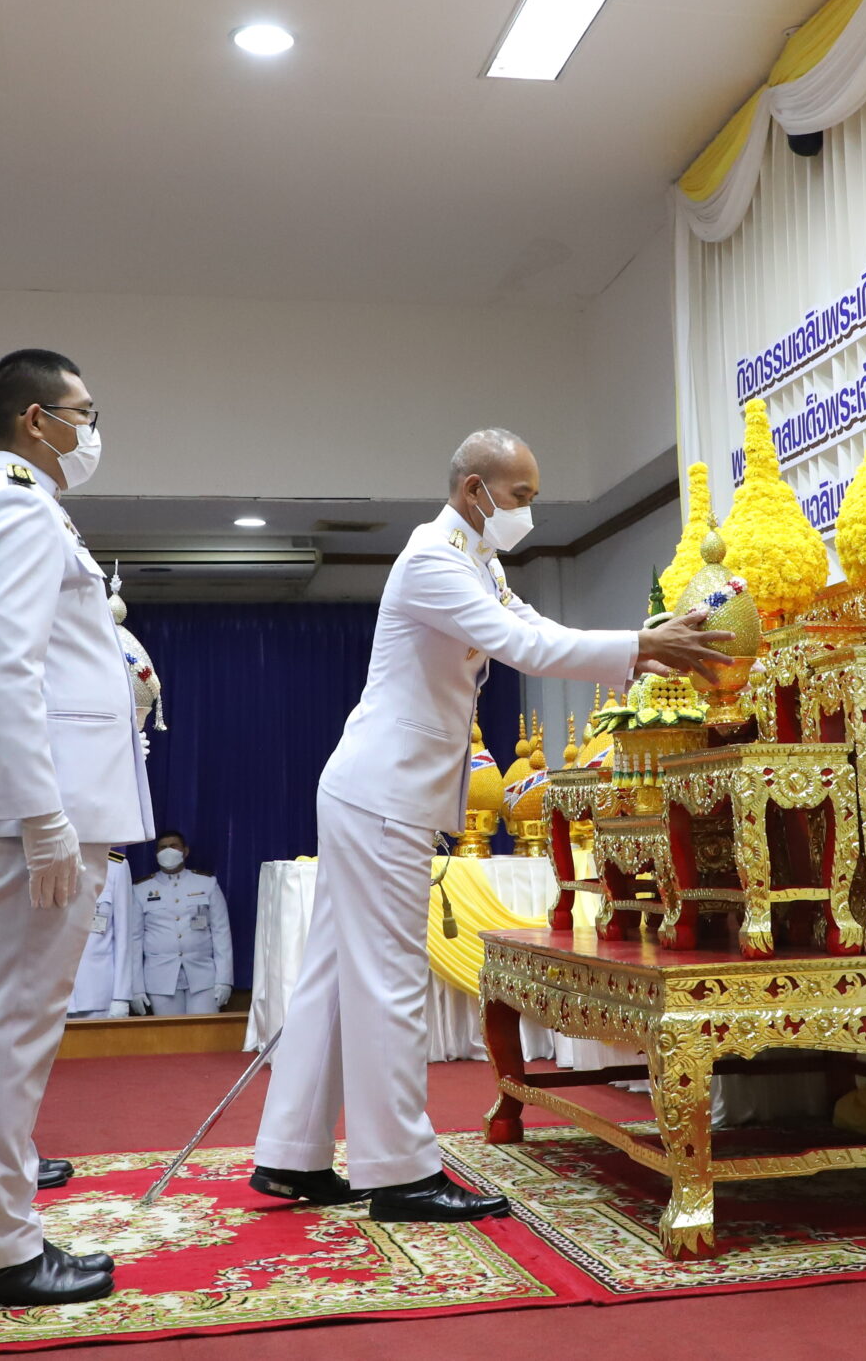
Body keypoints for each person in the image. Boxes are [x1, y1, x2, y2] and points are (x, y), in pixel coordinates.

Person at [249, 429, 733, 1221]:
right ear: (475, 490)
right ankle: (401, 1173)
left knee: (334, 977)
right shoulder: (433, 560)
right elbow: (521, 644)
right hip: (382, 792)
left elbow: (531, 621)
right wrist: (639, 645)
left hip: (378, 788)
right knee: (388, 979)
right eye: (520, 496)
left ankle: (290, 1155)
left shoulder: (481, 562)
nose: (527, 511)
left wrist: (640, 646)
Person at [0, 348, 154, 1309]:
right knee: (11, 1032)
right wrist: (41, 819)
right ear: (37, 419)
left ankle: (0, 1230)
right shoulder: (20, 511)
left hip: (30, 807)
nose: (92, 429)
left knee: (10, 1027)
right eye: (84, 412)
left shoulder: (16, 508)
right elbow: (3, 674)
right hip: (37, 816)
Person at [133, 830, 232, 1015]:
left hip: (203, 976)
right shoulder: (141, 889)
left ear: (185, 851)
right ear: (156, 854)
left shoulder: (206, 883)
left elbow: (222, 933)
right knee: (169, 1032)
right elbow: (134, 941)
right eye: (162, 847)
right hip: (160, 978)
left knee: (204, 1031)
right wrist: (136, 988)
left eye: (173, 846)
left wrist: (224, 979)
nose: (168, 851)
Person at [66, 850, 137, 1019]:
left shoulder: (115, 867)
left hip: (97, 992)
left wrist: (121, 996)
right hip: (52, 994)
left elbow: (123, 938)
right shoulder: (46, 861)